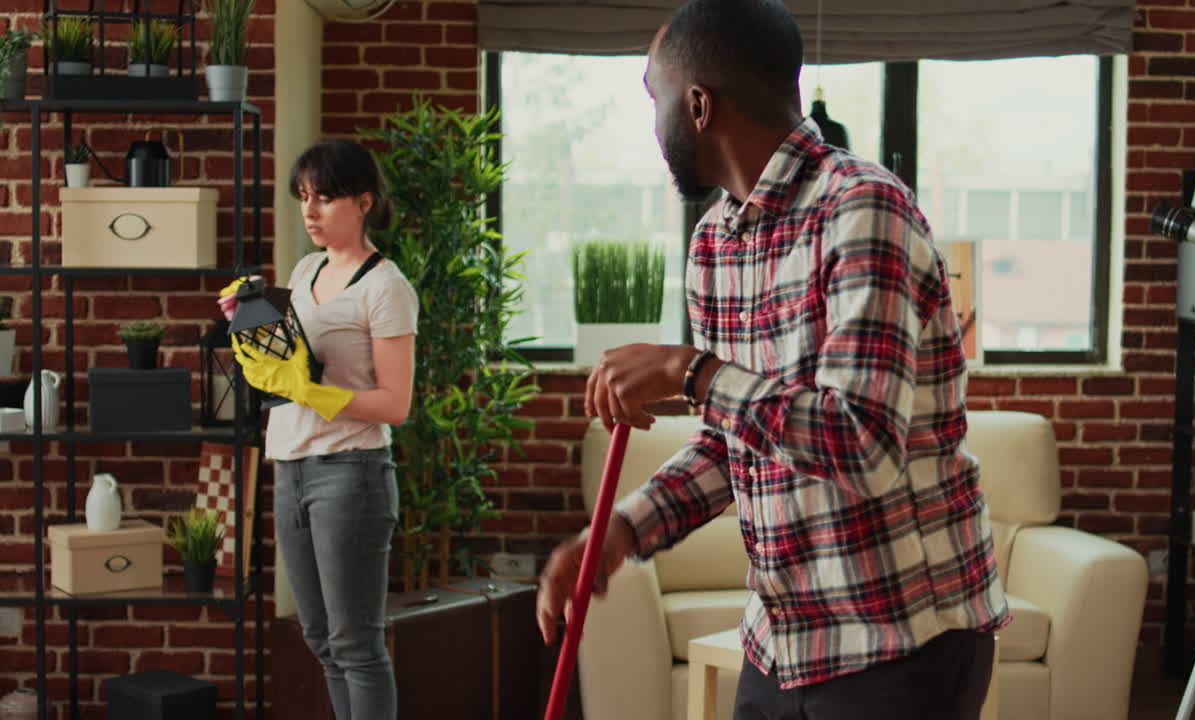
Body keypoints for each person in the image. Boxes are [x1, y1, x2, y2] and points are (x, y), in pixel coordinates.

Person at [535, 0, 1009, 718]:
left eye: (652, 95)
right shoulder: (715, 243)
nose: (652, 118)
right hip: (784, 640)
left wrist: (688, 372)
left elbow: (864, 442)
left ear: (697, 104)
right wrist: (621, 532)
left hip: (902, 640)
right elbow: (738, 443)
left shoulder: (863, 209)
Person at [229, 139, 417, 720]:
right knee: (321, 638)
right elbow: (285, 364)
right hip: (290, 468)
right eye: (304, 197)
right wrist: (247, 321)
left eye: (326, 197)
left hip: (350, 476)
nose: (309, 211)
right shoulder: (305, 269)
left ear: (364, 201)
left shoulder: (386, 286)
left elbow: (395, 403)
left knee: (357, 645)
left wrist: (319, 394)